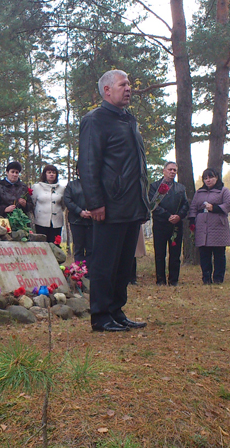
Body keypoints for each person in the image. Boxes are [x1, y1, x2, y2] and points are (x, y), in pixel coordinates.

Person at [78, 69, 150, 332]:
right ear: (107, 90)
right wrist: (95, 202)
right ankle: (100, 316)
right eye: (123, 84)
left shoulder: (129, 120)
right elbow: (87, 164)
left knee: (123, 264)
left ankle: (117, 311)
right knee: (104, 263)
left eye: (129, 84)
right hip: (109, 205)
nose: (129, 88)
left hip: (132, 204)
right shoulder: (95, 120)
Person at [188, 168, 230, 285]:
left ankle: (218, 278)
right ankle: (206, 278)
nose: (208, 180)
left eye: (211, 177)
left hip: (218, 226)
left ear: (217, 177)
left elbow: (229, 205)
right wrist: (192, 221)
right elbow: (193, 207)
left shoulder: (223, 191)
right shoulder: (199, 192)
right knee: (204, 254)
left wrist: (214, 208)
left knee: (219, 254)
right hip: (202, 227)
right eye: (206, 178)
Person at [148, 162, 189, 286]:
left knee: (175, 254)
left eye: (175, 170)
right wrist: (168, 216)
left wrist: (179, 216)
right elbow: (153, 205)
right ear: (164, 171)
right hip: (160, 224)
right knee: (160, 254)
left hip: (176, 225)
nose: (172, 172)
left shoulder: (181, 188)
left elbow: (185, 205)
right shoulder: (155, 186)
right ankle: (160, 280)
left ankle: (173, 280)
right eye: (170, 169)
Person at [31, 164, 66, 243]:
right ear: (45, 174)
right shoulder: (36, 187)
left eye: (53, 173)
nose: (51, 174)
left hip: (56, 222)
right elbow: (33, 204)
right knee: (42, 245)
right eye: (49, 172)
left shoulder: (62, 189)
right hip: (40, 221)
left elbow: (63, 205)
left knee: (55, 245)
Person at [62, 176, 93, 263]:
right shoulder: (71, 185)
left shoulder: (95, 183)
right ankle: (79, 272)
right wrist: (80, 211)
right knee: (79, 248)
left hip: (93, 221)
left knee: (91, 249)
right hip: (76, 221)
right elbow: (67, 200)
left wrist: (93, 211)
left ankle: (90, 273)